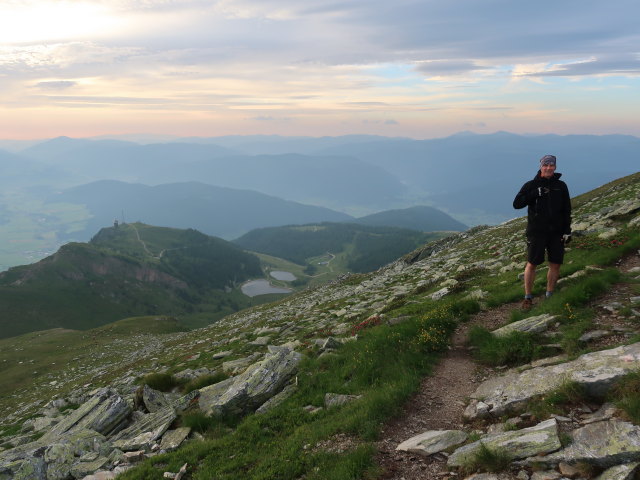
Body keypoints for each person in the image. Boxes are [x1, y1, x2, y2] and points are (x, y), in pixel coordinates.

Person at [513, 154, 572, 310]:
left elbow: (567, 209)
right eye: (545, 165)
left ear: (555, 167)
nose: (548, 168)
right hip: (536, 232)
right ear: (540, 166)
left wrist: (567, 230)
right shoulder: (531, 185)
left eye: (551, 165)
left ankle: (550, 294)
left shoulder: (561, 186)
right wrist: (534, 193)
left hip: (557, 232)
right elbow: (517, 204)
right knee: (532, 263)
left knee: (555, 263)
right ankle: (528, 298)